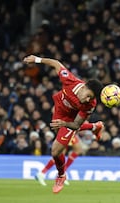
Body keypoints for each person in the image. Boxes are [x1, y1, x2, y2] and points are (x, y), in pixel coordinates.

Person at [23, 55, 103, 194]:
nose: (88, 99)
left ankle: (61, 175)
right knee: (60, 142)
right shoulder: (70, 80)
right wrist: (36, 59)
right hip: (59, 110)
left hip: (70, 119)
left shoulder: (90, 104)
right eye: (88, 95)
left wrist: (64, 123)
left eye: (91, 98)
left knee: (55, 151)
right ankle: (95, 127)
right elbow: (56, 63)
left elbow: (76, 124)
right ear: (83, 87)